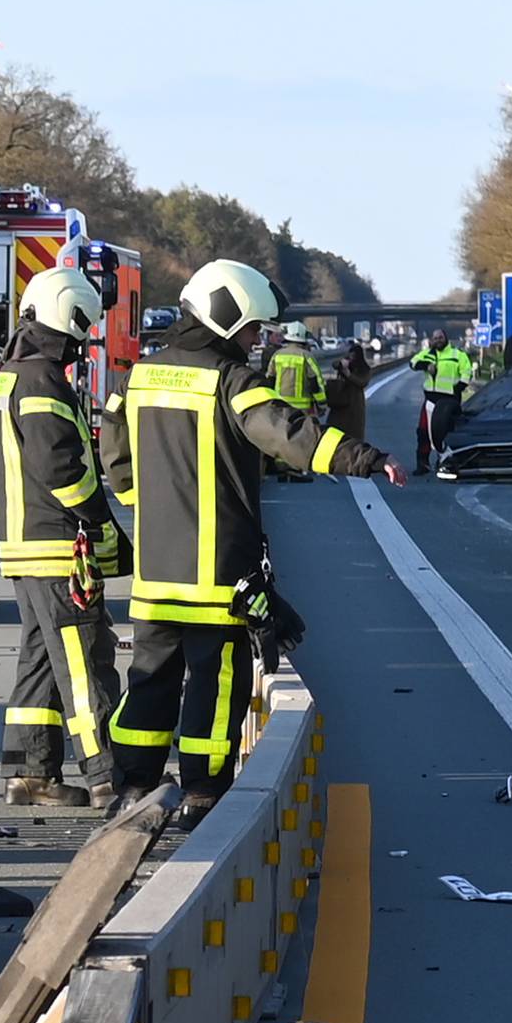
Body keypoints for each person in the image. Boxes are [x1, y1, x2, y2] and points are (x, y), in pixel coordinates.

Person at [100, 260, 407, 826]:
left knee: (149, 678)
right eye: (250, 330)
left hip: (155, 569)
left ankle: (133, 785)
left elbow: (117, 465)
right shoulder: (231, 382)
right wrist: (365, 458)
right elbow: (289, 435)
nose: (255, 342)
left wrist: (156, 510)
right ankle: (201, 794)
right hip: (217, 568)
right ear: (225, 318)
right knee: (217, 683)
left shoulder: (137, 379)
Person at [0, 269, 127, 808]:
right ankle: (107, 775)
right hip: (56, 546)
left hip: (25, 547)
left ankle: (30, 773)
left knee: (42, 660)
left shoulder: (13, 372)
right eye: (78, 333)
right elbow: (62, 467)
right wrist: (99, 522)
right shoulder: (43, 379)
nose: (77, 346)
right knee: (84, 659)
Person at [268, 322, 328, 481]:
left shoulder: (277, 355)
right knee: (302, 436)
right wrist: (321, 404)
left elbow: (269, 379)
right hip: (302, 406)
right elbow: (317, 383)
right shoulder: (306, 357)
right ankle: (298, 467)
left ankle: (282, 468)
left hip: (279, 404)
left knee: (281, 435)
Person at [410, 328, 474, 475]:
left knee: (446, 433)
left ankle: (447, 461)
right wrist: (426, 365)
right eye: (435, 338)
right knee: (423, 432)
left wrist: (458, 388)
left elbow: (467, 372)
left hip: (449, 401)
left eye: (440, 337)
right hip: (430, 400)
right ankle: (422, 464)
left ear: (446, 338)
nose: (438, 340)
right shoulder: (428, 353)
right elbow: (413, 363)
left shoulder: (457, 355)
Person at [324, 340, 372, 438]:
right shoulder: (346, 363)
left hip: (354, 405)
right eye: (350, 355)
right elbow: (335, 364)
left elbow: (362, 382)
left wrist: (348, 374)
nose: (352, 358)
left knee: (353, 433)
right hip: (340, 401)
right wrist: (342, 364)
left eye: (354, 356)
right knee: (336, 431)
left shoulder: (364, 369)